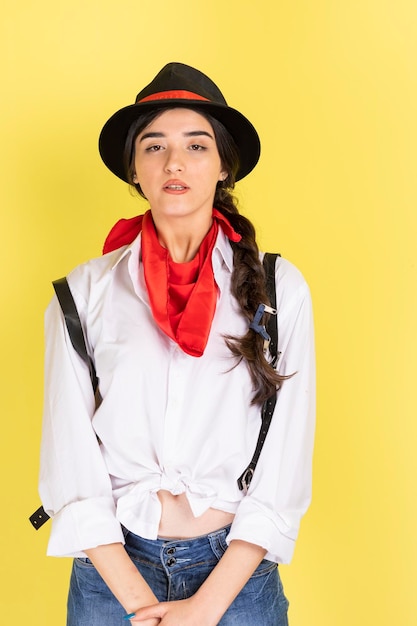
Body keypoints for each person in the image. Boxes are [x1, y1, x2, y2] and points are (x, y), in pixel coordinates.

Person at [38, 62, 315, 625]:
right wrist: (141, 606)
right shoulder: (82, 293)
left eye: (196, 144)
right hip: (111, 572)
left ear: (222, 167)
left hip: (235, 573)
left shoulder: (279, 288)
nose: (175, 162)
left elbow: (286, 459)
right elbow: (69, 457)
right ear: (135, 170)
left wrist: (204, 608)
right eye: (154, 145)